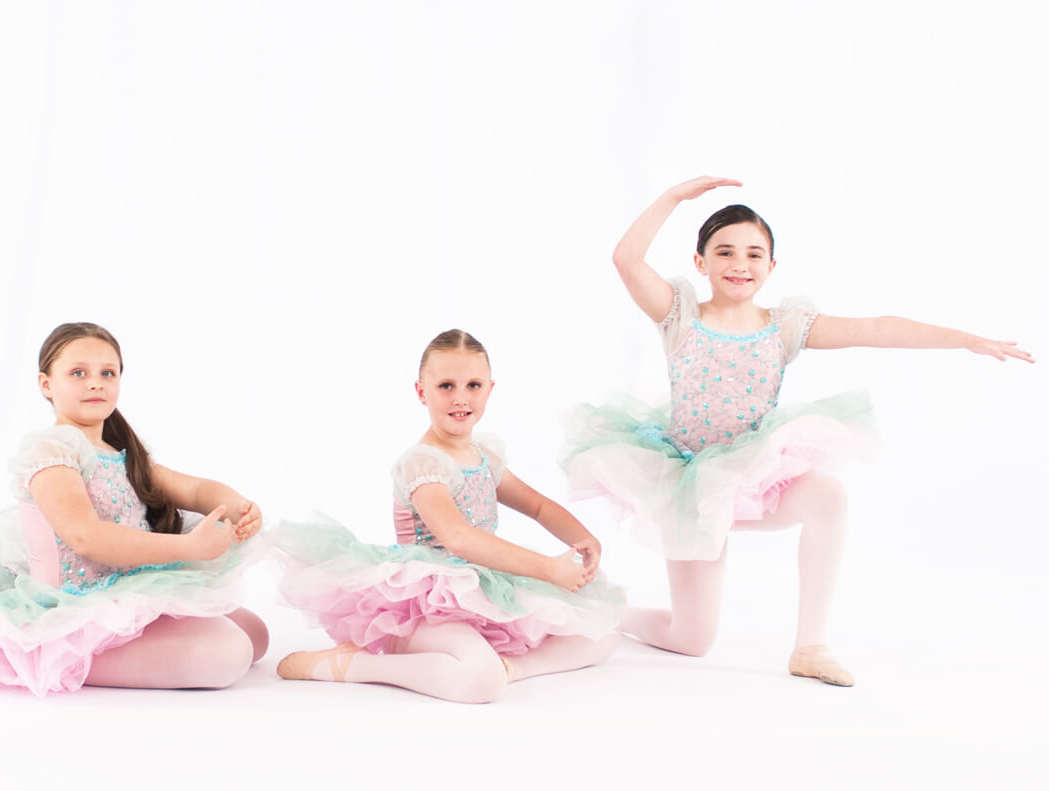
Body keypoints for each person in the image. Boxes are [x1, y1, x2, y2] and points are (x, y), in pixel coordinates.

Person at [562, 176, 1033, 685]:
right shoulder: (679, 316)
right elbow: (626, 259)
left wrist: (965, 339)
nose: (740, 264)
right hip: (689, 489)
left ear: (771, 266)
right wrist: (675, 197)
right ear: (700, 262)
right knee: (692, 640)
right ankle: (609, 612)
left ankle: (810, 646)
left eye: (754, 254)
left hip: (756, 479)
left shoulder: (785, 326)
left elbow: (877, 328)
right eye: (724, 252)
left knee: (828, 495)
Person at [274, 329, 623, 703]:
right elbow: (458, 538)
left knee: (602, 633)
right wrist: (549, 569)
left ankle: (511, 668)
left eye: (473, 385)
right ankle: (356, 665)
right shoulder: (422, 463)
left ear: (490, 389)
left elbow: (537, 506)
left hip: (482, 587)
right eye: (446, 386)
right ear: (421, 391)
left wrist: (584, 538)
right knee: (482, 683)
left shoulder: (485, 456)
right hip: (424, 603)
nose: (460, 398)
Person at [0, 322, 269, 695]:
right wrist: (189, 547)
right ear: (46, 384)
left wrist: (236, 505)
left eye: (107, 373)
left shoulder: (124, 455)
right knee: (231, 652)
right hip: (74, 604)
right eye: (78, 373)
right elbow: (85, 537)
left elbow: (193, 489)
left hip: (130, 587)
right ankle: (60, 654)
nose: (95, 383)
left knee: (257, 636)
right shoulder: (52, 450)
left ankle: (133, 643)